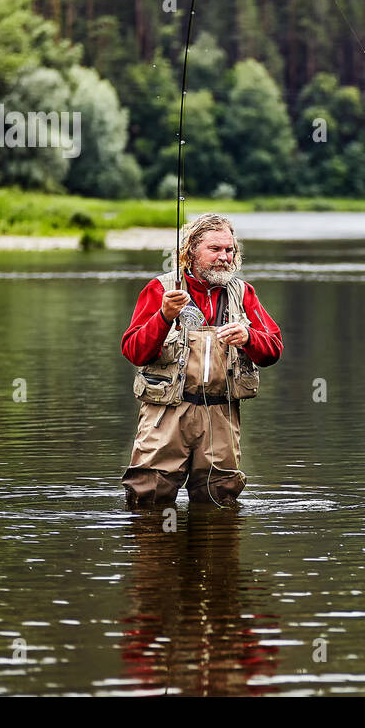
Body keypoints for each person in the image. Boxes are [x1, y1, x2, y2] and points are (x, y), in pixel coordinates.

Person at [120, 213, 282, 508]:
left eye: (229, 250)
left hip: (220, 415)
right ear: (190, 251)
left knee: (219, 500)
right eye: (215, 249)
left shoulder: (244, 293)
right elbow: (134, 351)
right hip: (165, 414)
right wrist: (164, 316)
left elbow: (273, 349)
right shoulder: (160, 289)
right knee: (148, 498)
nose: (225, 257)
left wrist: (249, 337)